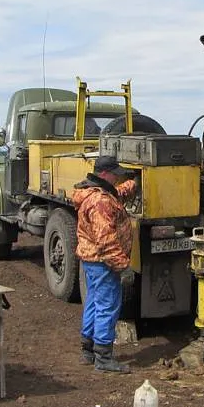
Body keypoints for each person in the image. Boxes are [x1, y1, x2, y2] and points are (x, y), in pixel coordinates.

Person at [72, 155, 137, 373]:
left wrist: (134, 182)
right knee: (107, 306)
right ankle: (104, 357)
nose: (118, 178)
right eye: (115, 174)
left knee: (93, 302)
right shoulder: (100, 201)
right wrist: (123, 266)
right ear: (104, 174)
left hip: (92, 261)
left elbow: (118, 194)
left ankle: (88, 350)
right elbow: (106, 241)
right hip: (103, 262)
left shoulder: (97, 192)